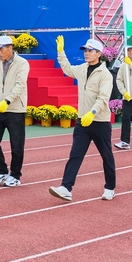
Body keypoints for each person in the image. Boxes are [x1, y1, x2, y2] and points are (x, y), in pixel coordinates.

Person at [49, 37, 117, 202]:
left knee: (106, 155)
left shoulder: (105, 75)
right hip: (82, 122)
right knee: (75, 154)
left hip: (99, 122)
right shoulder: (81, 69)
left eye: (90, 50)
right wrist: (60, 52)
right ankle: (66, 188)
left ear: (99, 54)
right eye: (85, 50)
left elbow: (103, 98)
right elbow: (67, 68)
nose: (86, 53)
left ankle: (110, 187)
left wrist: (92, 113)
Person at [0, 35, 29, 187]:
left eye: (1, 49)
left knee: (16, 145)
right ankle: (1, 171)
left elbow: (20, 85)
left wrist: (8, 100)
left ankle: (15, 175)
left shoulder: (22, 63)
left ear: (10, 48)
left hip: (16, 109)